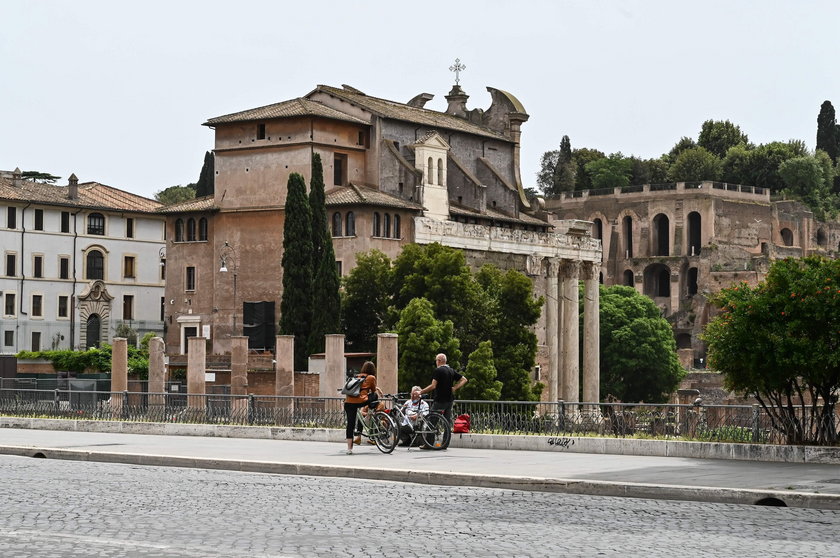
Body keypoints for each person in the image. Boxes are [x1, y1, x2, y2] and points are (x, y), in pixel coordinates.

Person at [419, 353, 468, 423]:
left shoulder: (438, 370)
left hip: (439, 400)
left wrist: (421, 392)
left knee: (432, 421)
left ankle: (430, 434)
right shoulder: (451, 370)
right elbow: (464, 379)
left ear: (439, 361)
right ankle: (447, 434)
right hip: (449, 399)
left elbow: (433, 385)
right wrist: (454, 388)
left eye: (436, 360)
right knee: (447, 422)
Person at [343, 361, 379, 455]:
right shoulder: (371, 378)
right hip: (361, 401)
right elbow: (373, 391)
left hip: (348, 402)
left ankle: (349, 449)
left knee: (350, 425)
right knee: (375, 396)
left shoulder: (355, 376)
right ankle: (371, 411)